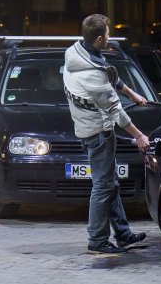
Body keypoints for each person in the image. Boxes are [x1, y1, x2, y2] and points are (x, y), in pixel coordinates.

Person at [63, 14, 151, 254]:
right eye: (108, 34)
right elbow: (116, 111)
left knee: (110, 184)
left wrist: (131, 93)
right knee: (103, 187)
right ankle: (97, 240)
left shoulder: (75, 53)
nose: (110, 37)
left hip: (86, 129)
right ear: (100, 38)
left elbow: (109, 74)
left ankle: (122, 234)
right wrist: (139, 136)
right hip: (98, 133)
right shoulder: (92, 73)